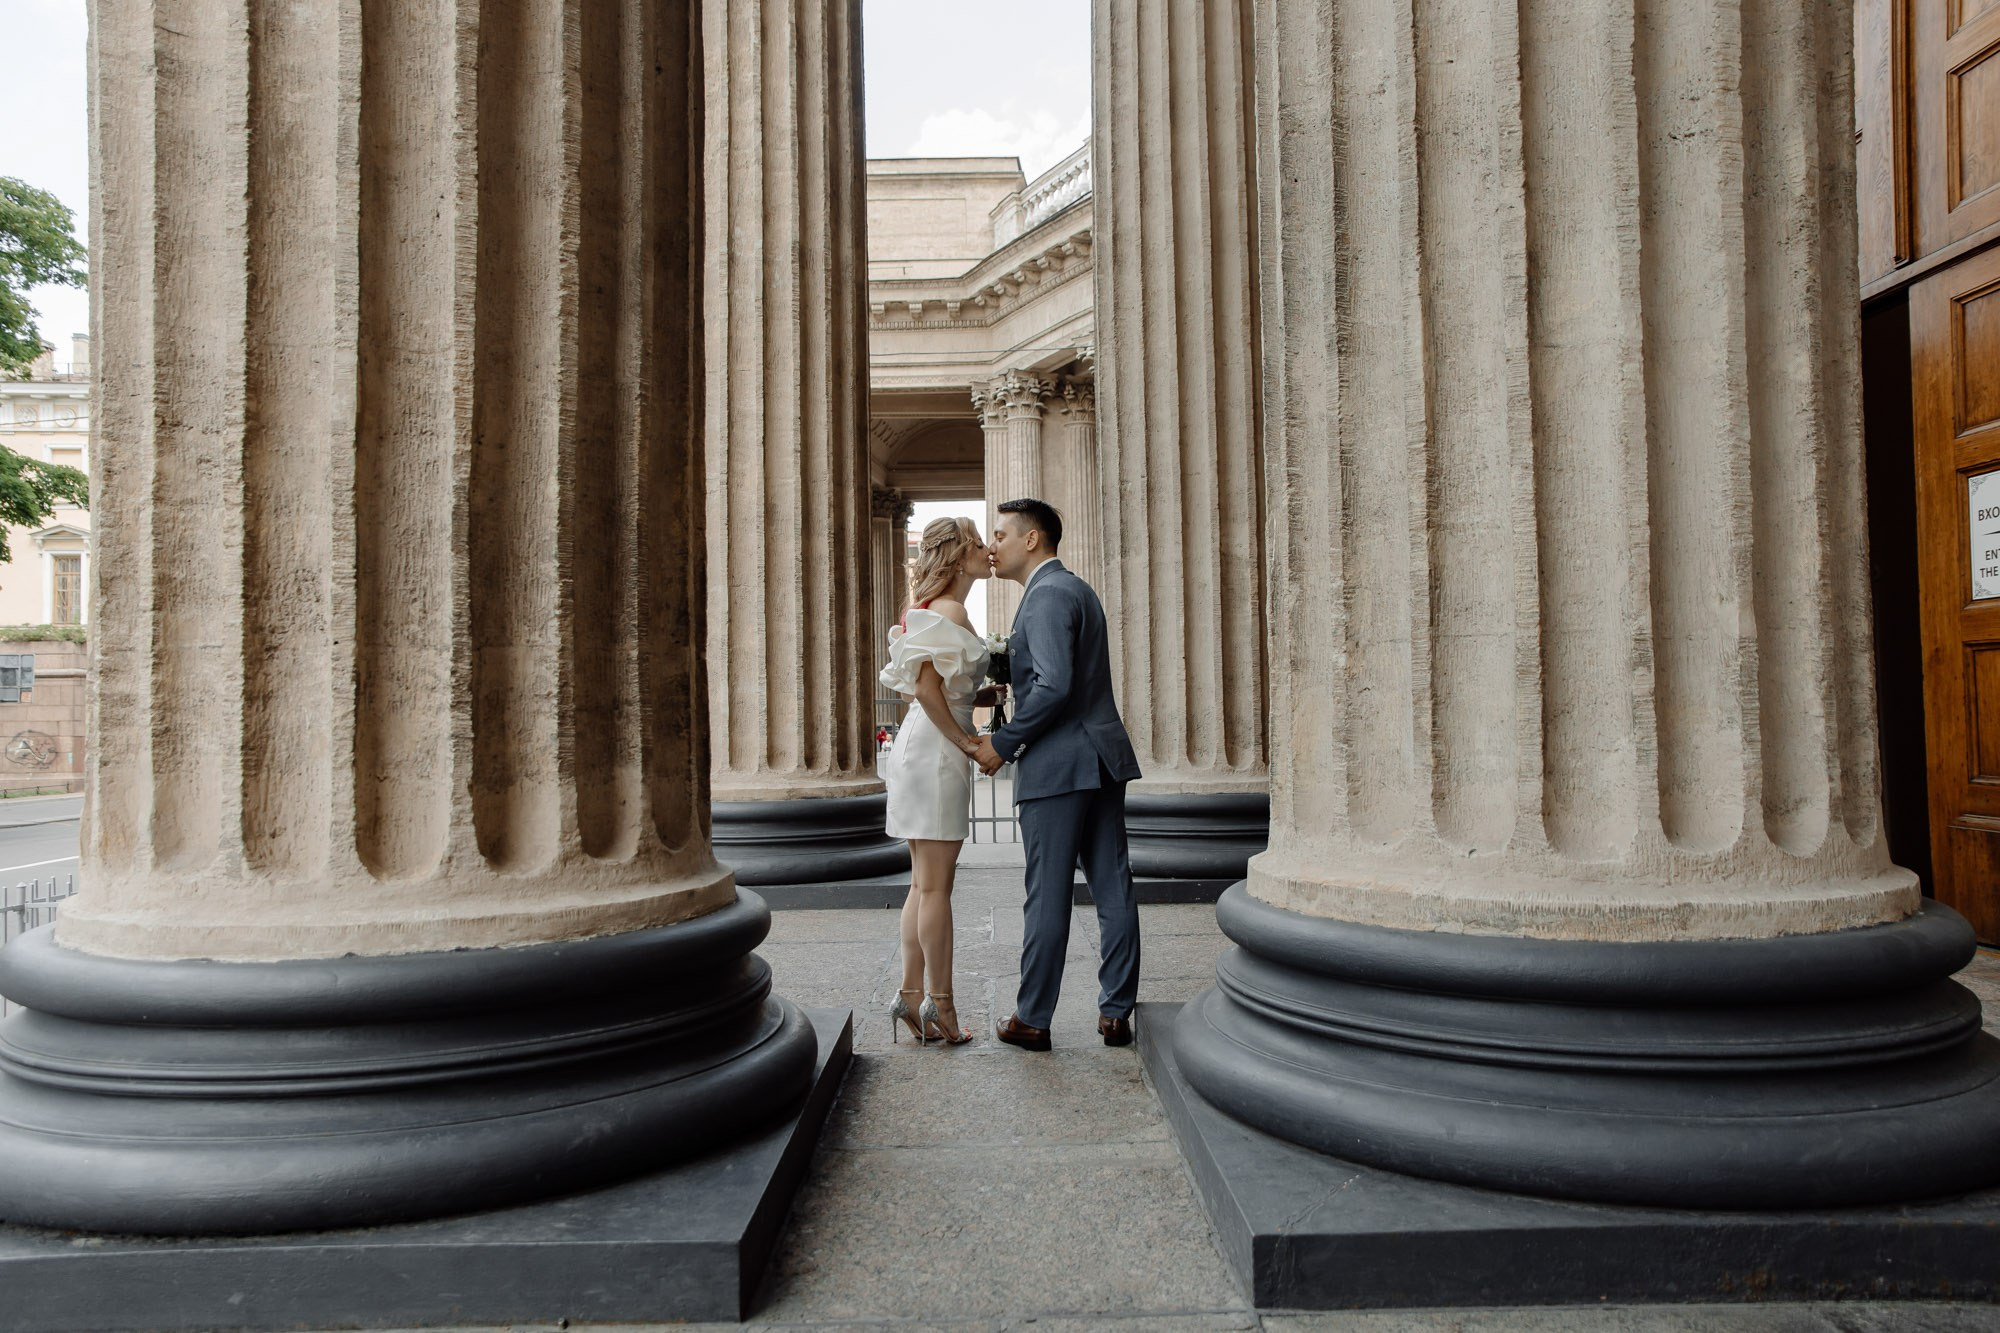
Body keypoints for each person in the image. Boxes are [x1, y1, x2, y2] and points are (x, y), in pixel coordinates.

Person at [971, 498, 1144, 1051]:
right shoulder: (1077, 589)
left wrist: (1003, 741)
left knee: (1047, 893)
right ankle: (1116, 1012)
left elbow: (1053, 685)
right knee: (1113, 885)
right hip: (1099, 757)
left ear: (1032, 539)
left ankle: (1033, 1017)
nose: (992, 545)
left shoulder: (1044, 596)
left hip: (1058, 765)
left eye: (1000, 535)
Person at [877, 516, 1003, 1046]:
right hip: (934, 752)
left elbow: (939, 688)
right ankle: (942, 1007)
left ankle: (910, 998)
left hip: (919, 746)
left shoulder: (933, 610)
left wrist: (981, 698)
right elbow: (927, 692)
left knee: (921, 886)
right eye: (978, 543)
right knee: (937, 889)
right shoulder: (949, 610)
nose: (987, 551)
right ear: (956, 556)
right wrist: (970, 743)